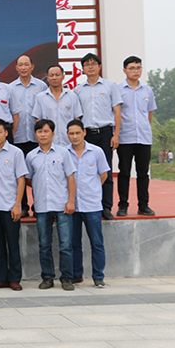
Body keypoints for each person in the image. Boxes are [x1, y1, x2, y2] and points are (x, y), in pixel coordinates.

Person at [26, 119, 77, 291]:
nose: (43, 134)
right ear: (36, 134)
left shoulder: (63, 153)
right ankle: (47, 277)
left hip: (62, 205)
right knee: (44, 245)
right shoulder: (31, 156)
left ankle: (67, 278)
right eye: (39, 131)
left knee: (66, 245)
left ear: (53, 133)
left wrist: (71, 201)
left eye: (46, 131)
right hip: (42, 206)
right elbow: (28, 179)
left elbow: (71, 178)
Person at [74, 53, 122, 220]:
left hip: (105, 133)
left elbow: (117, 112)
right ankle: (88, 205)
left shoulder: (110, 86)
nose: (91, 67)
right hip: (86, 135)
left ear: (99, 66)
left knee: (105, 171)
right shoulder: (78, 90)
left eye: (94, 63)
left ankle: (106, 206)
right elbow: (77, 116)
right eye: (87, 65)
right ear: (83, 69)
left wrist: (116, 135)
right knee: (87, 171)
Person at [0, 119, 28, 291]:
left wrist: (18, 205)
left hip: (10, 206)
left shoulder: (16, 153)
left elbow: (21, 179)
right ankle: (1, 277)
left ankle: (15, 278)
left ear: (6, 133)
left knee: (13, 243)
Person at [67, 119, 110, 288]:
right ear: (67, 135)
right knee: (74, 243)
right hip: (72, 205)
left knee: (96, 242)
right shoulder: (64, 153)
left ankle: (98, 276)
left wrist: (92, 190)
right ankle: (77, 274)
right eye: (71, 133)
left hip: (92, 205)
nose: (75, 136)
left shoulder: (97, 152)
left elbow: (103, 175)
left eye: (78, 133)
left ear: (84, 133)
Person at [117, 56, 157, 216]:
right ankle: (123, 205)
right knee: (124, 173)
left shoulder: (147, 91)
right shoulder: (118, 90)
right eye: (132, 68)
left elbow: (149, 114)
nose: (136, 71)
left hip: (144, 138)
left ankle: (143, 205)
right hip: (125, 137)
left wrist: (144, 128)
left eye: (138, 68)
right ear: (124, 70)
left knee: (143, 173)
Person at [9, 54, 46, 216]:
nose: (23, 67)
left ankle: (39, 205)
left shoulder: (41, 86)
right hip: (17, 137)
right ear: (16, 68)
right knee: (19, 174)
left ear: (32, 66)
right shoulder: (10, 88)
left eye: (26, 64)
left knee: (38, 172)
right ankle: (23, 205)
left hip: (36, 138)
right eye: (20, 65)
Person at [31, 65, 83, 147]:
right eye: (51, 75)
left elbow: (77, 119)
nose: (54, 78)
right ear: (48, 78)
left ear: (63, 77)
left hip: (69, 142)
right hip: (49, 143)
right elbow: (38, 120)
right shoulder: (40, 97)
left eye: (57, 75)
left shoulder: (72, 96)